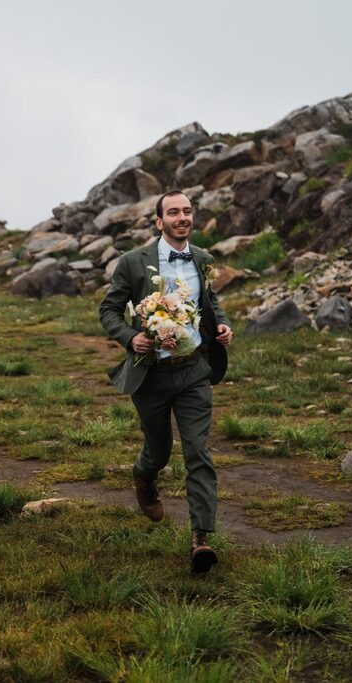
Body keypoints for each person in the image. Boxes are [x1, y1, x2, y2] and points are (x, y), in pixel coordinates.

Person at [98, 189, 233, 574]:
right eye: (173, 212)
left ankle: (201, 539)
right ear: (159, 221)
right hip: (151, 373)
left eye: (187, 211)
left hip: (193, 371)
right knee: (158, 450)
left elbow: (211, 302)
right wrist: (130, 337)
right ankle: (144, 476)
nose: (182, 217)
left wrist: (222, 324)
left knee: (198, 453)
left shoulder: (204, 259)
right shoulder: (131, 262)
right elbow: (108, 309)